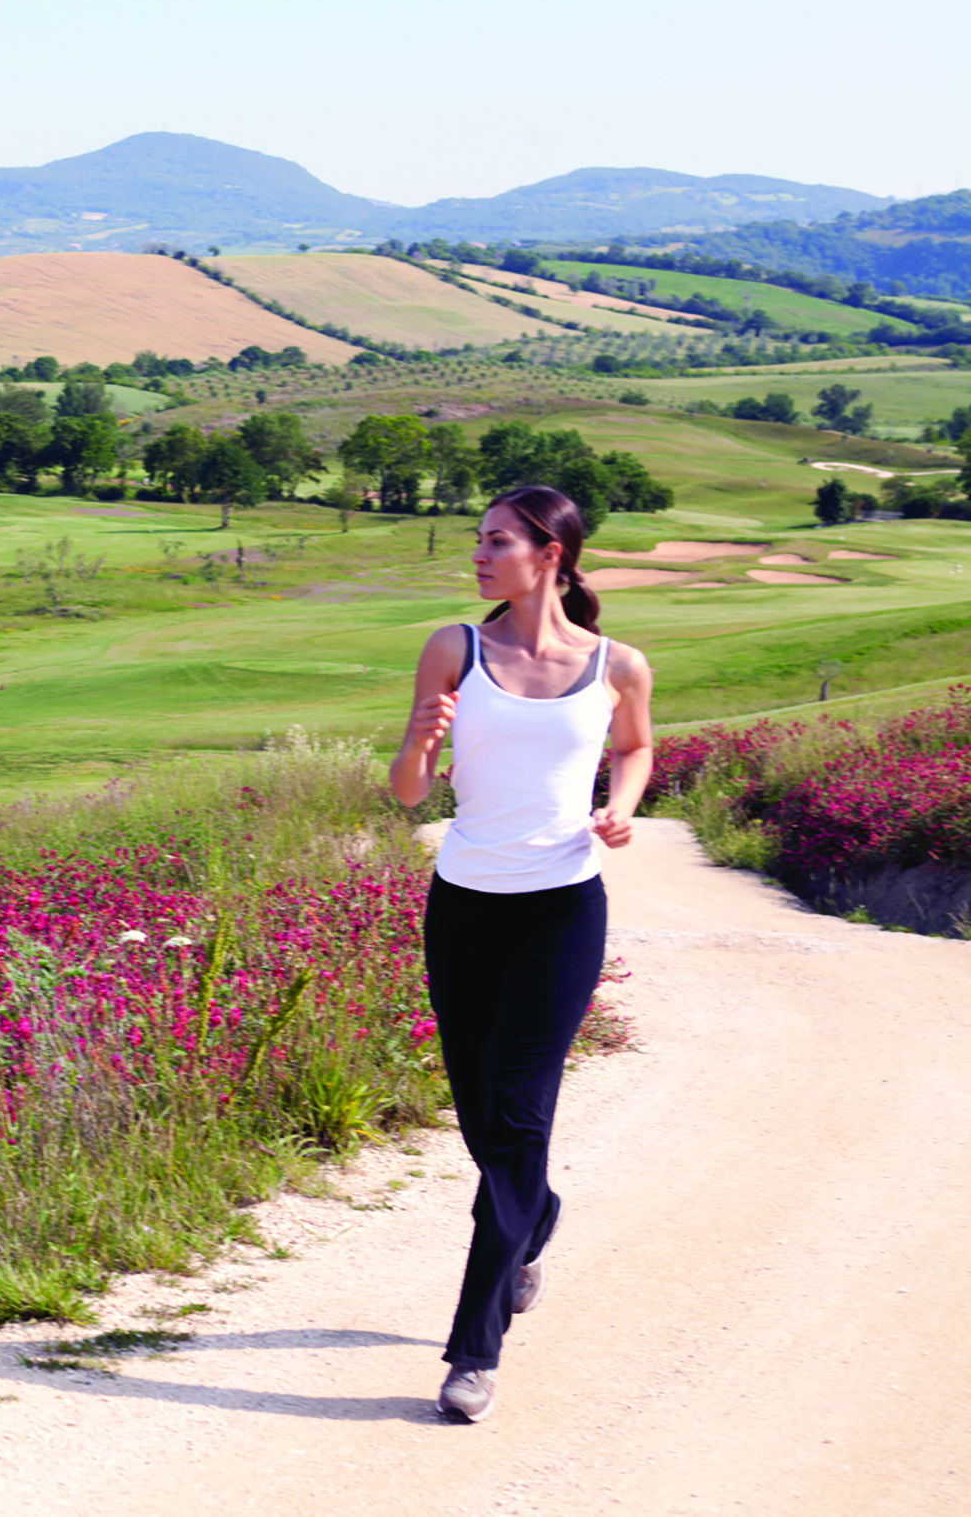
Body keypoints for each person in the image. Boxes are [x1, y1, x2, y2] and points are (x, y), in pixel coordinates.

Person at [387, 484, 654, 1424]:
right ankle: (535, 1218)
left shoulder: (617, 664)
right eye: (478, 540)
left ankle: (474, 1348)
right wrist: (418, 745)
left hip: (560, 916)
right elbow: (407, 793)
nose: (479, 553)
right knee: (480, 1119)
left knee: (516, 1116)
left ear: (551, 554)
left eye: (496, 539)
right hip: (463, 908)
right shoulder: (455, 646)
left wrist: (620, 808)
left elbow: (635, 748)